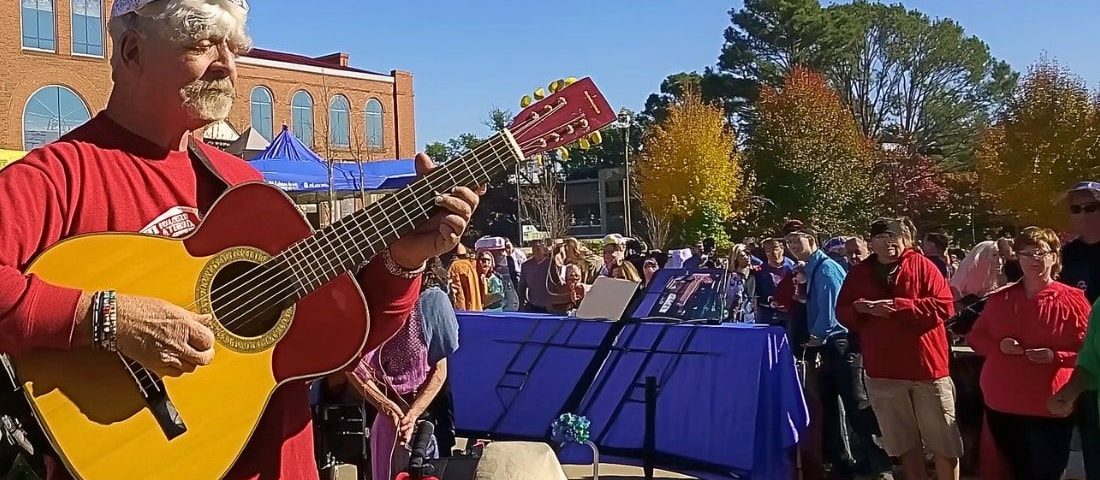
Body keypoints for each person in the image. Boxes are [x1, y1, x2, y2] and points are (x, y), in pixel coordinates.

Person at [0, 1, 482, 479]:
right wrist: (106, 317)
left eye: (233, 47)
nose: (227, 64)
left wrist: (402, 260)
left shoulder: (245, 186)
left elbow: (335, 343)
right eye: (201, 44)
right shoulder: (57, 176)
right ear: (130, 50)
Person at [836, 217, 963, 480]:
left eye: (893, 237)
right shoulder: (859, 273)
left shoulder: (923, 266)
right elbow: (842, 311)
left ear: (904, 240)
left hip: (927, 369)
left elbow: (944, 306)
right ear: (871, 242)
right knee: (904, 445)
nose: (887, 243)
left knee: (944, 444)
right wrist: (862, 308)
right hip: (883, 371)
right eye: (881, 238)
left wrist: (898, 307)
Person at [966, 227, 1089, 480]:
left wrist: (1056, 356)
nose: (1035, 259)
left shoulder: (1074, 301)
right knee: (1017, 470)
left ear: (1054, 257)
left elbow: (1090, 352)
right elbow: (976, 338)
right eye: (1027, 253)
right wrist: (998, 346)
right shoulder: (1001, 299)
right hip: (1003, 404)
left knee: (1047, 471)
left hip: (1049, 403)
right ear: (1017, 258)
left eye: (1041, 253)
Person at [782, 220, 889, 479]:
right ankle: (843, 464)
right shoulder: (811, 270)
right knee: (829, 407)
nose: (794, 247)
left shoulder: (827, 269)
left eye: (799, 241)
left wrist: (815, 337)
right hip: (827, 346)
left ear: (813, 241)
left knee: (855, 405)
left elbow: (831, 313)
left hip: (840, 344)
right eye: (790, 243)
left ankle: (877, 465)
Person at [346, 264, 456, 480]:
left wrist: (413, 414)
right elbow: (351, 366)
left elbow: (439, 370)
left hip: (428, 415)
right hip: (383, 416)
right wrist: (386, 407)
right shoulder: (368, 301)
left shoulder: (432, 300)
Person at [1049, 180, 1100, 478]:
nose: (1083, 214)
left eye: (1091, 207)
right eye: (1076, 209)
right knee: (1090, 445)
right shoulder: (1067, 256)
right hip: (1079, 361)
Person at [946, 241, 1006, 336]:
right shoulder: (960, 282)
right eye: (994, 255)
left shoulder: (998, 279)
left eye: (1000, 256)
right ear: (982, 256)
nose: (999, 261)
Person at [517, 240, 571, 314]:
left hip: (551, 306)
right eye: (534, 248)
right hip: (534, 305)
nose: (537, 251)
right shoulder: (526, 266)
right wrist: (521, 305)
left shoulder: (552, 264)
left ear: (544, 249)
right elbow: (522, 287)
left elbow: (558, 281)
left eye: (539, 248)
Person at [754, 238, 794, 327]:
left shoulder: (793, 268)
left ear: (782, 248)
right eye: (768, 251)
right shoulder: (760, 270)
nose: (773, 253)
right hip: (767, 314)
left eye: (775, 248)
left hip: (790, 314)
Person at [724, 244, 756, 323]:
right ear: (735, 258)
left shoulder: (754, 275)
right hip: (732, 317)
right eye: (742, 255)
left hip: (749, 317)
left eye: (748, 254)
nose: (746, 257)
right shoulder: (729, 278)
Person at [448, 243, 482, 311]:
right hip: (476, 309)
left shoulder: (457, 266)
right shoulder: (471, 265)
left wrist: (460, 310)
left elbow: (458, 292)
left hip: (464, 311)